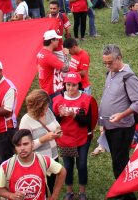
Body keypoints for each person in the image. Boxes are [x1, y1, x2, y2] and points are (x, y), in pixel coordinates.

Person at [99, 44, 138, 200]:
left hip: (122, 127)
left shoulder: (129, 77)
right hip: (111, 125)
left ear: (119, 58)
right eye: (105, 62)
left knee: (120, 161)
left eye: (110, 62)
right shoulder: (111, 72)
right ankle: (123, 190)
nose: (107, 65)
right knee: (117, 159)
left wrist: (121, 115)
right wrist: (102, 122)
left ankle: (126, 194)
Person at [52, 72, 94, 200]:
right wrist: (60, 115)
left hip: (82, 138)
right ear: (64, 85)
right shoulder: (58, 100)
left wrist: (74, 115)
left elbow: (88, 122)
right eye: (68, 85)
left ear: (79, 85)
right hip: (66, 139)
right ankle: (69, 191)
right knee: (68, 166)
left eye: (74, 85)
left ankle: (82, 192)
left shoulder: (86, 99)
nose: (71, 88)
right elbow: (55, 122)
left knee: (81, 165)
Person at [0, 129, 66, 200]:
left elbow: (62, 171)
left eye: (25, 144)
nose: (22, 148)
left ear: (32, 144)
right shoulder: (6, 166)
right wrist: (11, 195)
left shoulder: (44, 160)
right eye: (18, 145)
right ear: (15, 147)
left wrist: (55, 195)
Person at [19, 89, 63, 167]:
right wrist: (43, 139)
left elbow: (57, 125)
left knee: (54, 178)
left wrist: (58, 131)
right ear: (36, 107)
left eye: (47, 106)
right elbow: (24, 146)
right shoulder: (26, 121)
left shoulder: (48, 111)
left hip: (54, 157)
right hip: (39, 161)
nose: (46, 109)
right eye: (44, 108)